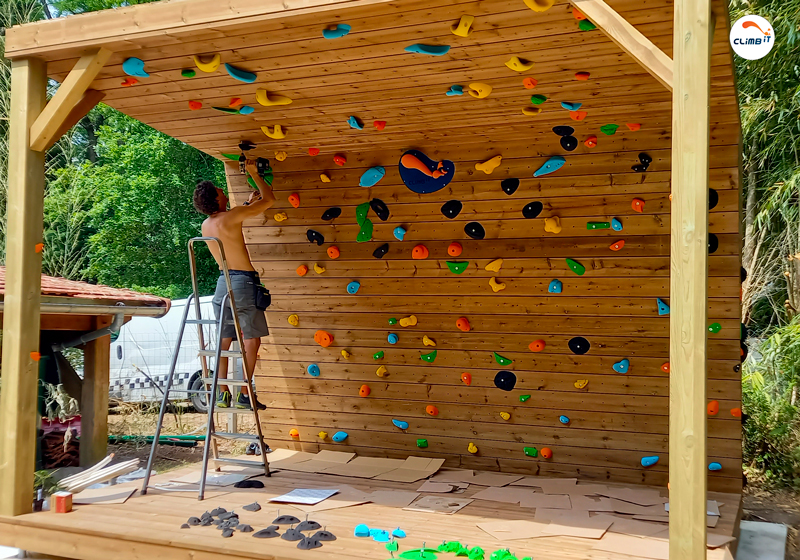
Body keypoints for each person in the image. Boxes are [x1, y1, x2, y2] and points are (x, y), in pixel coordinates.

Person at [192, 159, 276, 410]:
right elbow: (269, 200)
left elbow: (231, 223)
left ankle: (221, 392)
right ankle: (243, 393)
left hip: (222, 285)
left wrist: (248, 204)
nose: (222, 190)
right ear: (215, 198)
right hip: (242, 283)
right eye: (219, 190)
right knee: (251, 340)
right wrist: (254, 174)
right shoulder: (232, 216)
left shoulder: (206, 224)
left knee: (224, 340)